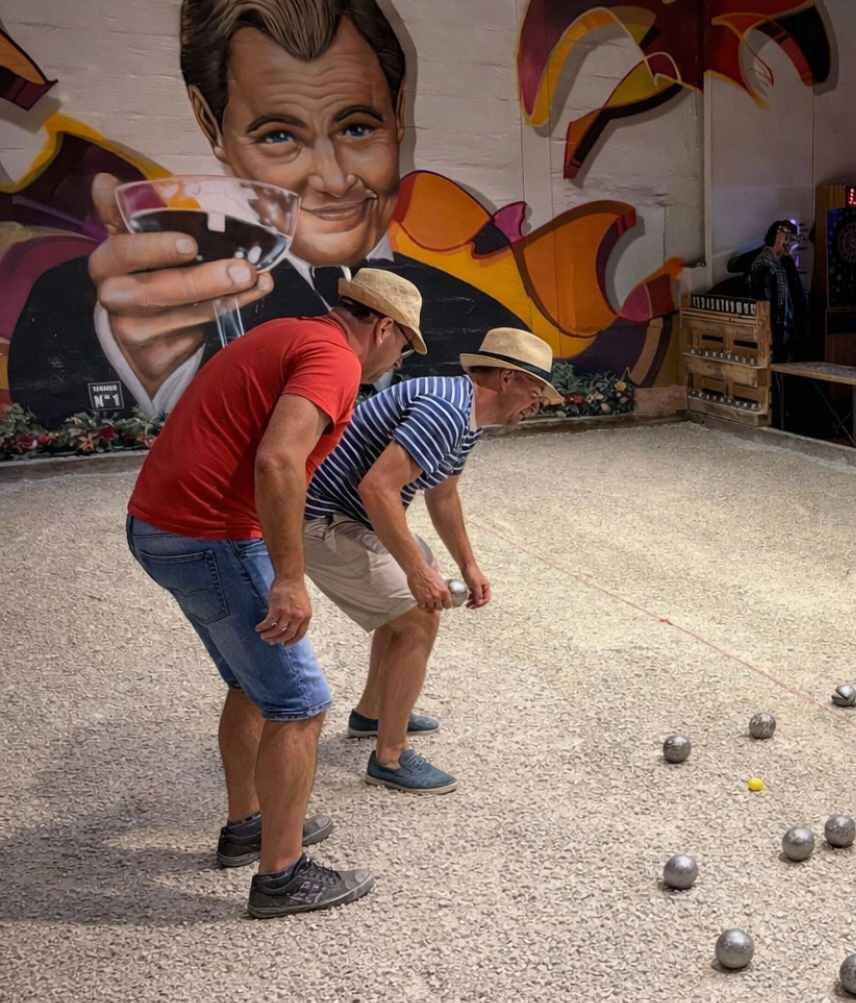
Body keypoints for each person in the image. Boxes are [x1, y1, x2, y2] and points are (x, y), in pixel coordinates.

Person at [9, 0, 522, 427]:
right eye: (279, 136)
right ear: (212, 125)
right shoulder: (76, 309)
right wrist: (156, 377)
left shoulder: (483, 323)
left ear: (399, 108)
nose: (334, 178)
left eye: (359, 127)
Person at [124, 268, 425, 918]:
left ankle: (248, 826)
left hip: (162, 524)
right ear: (384, 328)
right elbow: (280, 459)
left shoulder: (291, 334)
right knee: (300, 702)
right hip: (209, 532)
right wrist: (289, 577)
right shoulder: (334, 358)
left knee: (251, 683)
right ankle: (282, 875)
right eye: (404, 347)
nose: (398, 361)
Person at [302, 328, 563, 794]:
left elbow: (444, 495)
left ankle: (373, 714)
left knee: (412, 593)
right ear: (506, 378)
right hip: (321, 519)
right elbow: (377, 488)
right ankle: (391, 756)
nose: (540, 402)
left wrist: (468, 565)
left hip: (352, 519)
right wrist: (418, 573)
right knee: (418, 615)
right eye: (536, 389)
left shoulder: (466, 416)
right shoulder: (445, 410)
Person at [746, 220, 808, 361]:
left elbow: (796, 296)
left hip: (788, 333)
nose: (790, 245)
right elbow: (764, 307)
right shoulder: (764, 266)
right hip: (774, 335)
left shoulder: (785, 263)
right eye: (787, 239)